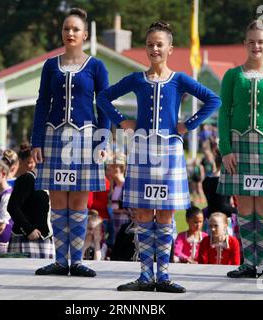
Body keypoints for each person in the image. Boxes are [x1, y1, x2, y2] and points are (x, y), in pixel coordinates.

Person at [97, 21, 221, 293]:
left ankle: (163, 276)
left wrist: (188, 124)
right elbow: (104, 97)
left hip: (169, 151)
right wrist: (121, 121)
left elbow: (213, 99)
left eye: (159, 44)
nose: (154, 48)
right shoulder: (136, 79)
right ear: (146, 47)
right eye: (150, 44)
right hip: (141, 149)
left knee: (165, 215)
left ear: (170, 49)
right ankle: (144, 275)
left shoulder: (179, 80)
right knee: (142, 212)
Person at [31, 8, 110, 277]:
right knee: (57, 202)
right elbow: (42, 103)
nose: (70, 33)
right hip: (54, 136)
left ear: (85, 34)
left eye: (75, 29)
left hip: (86, 139)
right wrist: (36, 141)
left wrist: (103, 141)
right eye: (66, 29)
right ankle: (59, 260)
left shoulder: (97, 66)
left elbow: (105, 106)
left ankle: (75, 261)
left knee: (78, 203)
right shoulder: (51, 65)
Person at [217, 20, 263, 279]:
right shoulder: (232, 75)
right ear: (244, 44)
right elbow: (224, 113)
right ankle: (248, 263)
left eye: (260, 41)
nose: (255, 46)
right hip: (238, 147)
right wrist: (225, 149)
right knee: (244, 207)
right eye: (251, 41)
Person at [7, 143, 54, 259]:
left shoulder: (47, 180)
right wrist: (28, 229)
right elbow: (12, 207)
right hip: (27, 239)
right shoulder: (27, 178)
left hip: (45, 239)